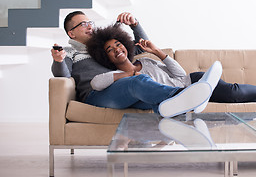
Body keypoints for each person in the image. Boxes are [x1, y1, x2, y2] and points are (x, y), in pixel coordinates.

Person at [50, 10, 222, 118]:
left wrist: (134, 25)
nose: (90, 26)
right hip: (96, 94)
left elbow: (141, 46)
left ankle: (169, 132)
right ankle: (186, 95)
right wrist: (58, 61)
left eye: (90, 23)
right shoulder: (70, 52)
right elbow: (63, 76)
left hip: (119, 90)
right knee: (137, 81)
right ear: (71, 33)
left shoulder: (104, 47)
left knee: (154, 101)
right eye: (83, 24)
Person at [86, 25, 256, 107]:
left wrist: (157, 52)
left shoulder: (147, 62)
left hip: (192, 82)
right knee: (239, 103)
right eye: (110, 50)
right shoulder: (114, 76)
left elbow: (180, 75)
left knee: (234, 93)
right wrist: (128, 76)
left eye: (118, 44)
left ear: (125, 44)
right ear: (107, 58)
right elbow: (96, 83)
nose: (116, 49)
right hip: (188, 93)